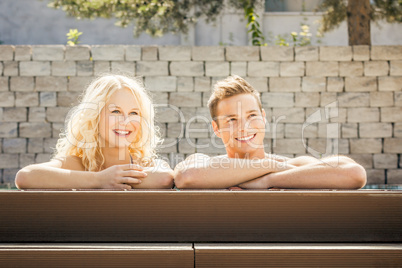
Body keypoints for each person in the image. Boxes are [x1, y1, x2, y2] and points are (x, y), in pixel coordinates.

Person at [174, 75, 366, 189]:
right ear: (216, 128)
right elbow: (186, 177)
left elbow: (355, 173)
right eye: (232, 119)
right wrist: (267, 166)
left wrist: (268, 179)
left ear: (263, 118)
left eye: (251, 116)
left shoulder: (291, 165)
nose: (244, 127)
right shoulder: (208, 164)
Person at [15, 74, 174, 189]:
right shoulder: (75, 163)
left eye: (134, 113)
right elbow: (25, 176)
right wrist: (99, 180)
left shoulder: (145, 164)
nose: (126, 121)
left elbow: (165, 177)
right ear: (94, 116)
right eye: (116, 112)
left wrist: (114, 179)